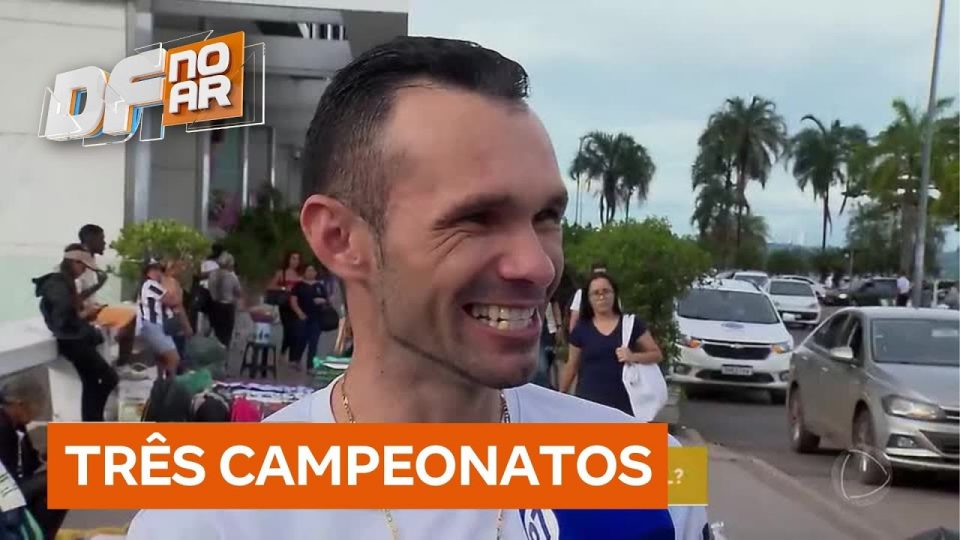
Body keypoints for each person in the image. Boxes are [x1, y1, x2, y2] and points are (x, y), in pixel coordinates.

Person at [127, 36, 708, 539]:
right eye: (476, 218)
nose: (537, 265)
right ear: (339, 238)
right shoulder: (208, 519)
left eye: (546, 217)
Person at [33, 245, 118, 422]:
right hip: (73, 342)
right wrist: (85, 314)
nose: (84, 270)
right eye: (83, 266)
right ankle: (94, 421)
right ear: (73, 262)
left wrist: (94, 293)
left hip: (75, 339)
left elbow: (69, 310)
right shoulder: (58, 286)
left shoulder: (63, 283)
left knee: (91, 382)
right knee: (109, 378)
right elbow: (61, 320)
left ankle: (92, 423)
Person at [559, 273, 663, 415]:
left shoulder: (631, 325)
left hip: (624, 406)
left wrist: (633, 356)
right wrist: (560, 395)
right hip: (588, 404)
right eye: (596, 293)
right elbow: (572, 365)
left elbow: (656, 355)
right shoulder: (581, 329)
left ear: (614, 294)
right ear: (588, 299)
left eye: (606, 291)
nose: (601, 297)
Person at [0, 376, 67, 539]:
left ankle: (39, 533)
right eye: (38, 405)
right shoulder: (2, 428)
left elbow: (27, 465)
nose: (39, 412)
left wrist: (47, 456)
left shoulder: (16, 424)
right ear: (20, 404)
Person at [76, 224, 136, 365]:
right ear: (91, 240)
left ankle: (120, 359)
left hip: (92, 309)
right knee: (130, 318)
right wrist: (99, 285)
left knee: (129, 317)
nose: (105, 243)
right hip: (84, 315)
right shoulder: (79, 262)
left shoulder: (89, 260)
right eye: (101, 239)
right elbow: (74, 298)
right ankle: (122, 365)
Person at [138, 260, 181, 378]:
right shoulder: (151, 285)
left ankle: (161, 384)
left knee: (162, 360)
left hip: (157, 325)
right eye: (154, 270)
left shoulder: (151, 285)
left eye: (159, 270)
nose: (158, 272)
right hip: (153, 325)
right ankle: (170, 385)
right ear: (147, 272)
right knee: (173, 358)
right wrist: (172, 284)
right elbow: (173, 301)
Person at [288, 263, 332, 370]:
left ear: (316, 273)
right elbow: (293, 300)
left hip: (316, 318)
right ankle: (296, 360)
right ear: (304, 272)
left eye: (313, 271)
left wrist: (323, 301)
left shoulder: (320, 286)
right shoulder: (299, 286)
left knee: (314, 342)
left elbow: (328, 300)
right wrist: (299, 313)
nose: (311, 273)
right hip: (302, 317)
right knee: (301, 340)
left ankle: (310, 366)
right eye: (308, 270)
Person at [267, 251, 303, 363]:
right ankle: (283, 352)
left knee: (296, 331)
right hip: (285, 305)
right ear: (288, 259)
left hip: (297, 305)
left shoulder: (300, 275)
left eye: (297, 259)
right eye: (293, 258)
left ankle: (293, 358)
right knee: (288, 330)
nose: (295, 261)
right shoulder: (281, 273)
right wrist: (283, 288)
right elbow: (270, 286)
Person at [161, 259, 194, 370]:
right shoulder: (173, 283)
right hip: (172, 324)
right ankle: (174, 377)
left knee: (162, 358)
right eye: (180, 268)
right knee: (177, 357)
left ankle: (162, 378)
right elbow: (178, 307)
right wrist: (187, 326)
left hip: (157, 323)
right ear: (172, 269)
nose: (182, 270)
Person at [207, 252, 243, 349]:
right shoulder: (232, 276)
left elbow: (209, 287)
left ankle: (216, 350)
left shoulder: (212, 274)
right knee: (226, 332)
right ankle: (224, 351)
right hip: (227, 306)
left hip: (214, 305)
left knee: (217, 330)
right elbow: (239, 292)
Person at [567, 261, 617, 332]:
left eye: (602, 274)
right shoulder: (581, 293)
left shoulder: (611, 293)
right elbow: (574, 317)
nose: (600, 276)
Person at [190, 243, 225, 335]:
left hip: (212, 290)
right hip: (205, 289)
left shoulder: (218, 263)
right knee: (197, 309)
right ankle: (195, 330)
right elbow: (199, 275)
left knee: (209, 312)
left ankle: (206, 331)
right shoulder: (207, 262)